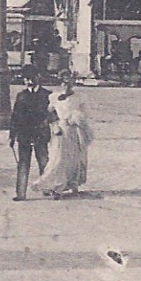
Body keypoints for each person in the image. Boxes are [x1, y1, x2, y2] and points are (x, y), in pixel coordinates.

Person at [37, 71, 93, 199]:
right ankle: (56, 186)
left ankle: (73, 185)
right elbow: (49, 113)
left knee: (75, 158)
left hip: (75, 131)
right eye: (63, 83)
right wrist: (55, 125)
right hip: (61, 130)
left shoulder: (79, 98)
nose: (66, 86)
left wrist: (76, 118)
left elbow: (86, 114)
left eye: (68, 84)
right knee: (59, 158)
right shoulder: (54, 97)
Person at [8, 70, 55, 201]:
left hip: (40, 133)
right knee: (23, 164)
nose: (29, 81)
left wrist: (47, 126)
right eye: (26, 79)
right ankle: (21, 193)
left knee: (44, 162)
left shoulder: (47, 95)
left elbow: (52, 115)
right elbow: (15, 117)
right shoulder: (21, 96)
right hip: (24, 134)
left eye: (32, 78)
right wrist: (12, 135)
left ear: (38, 77)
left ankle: (47, 189)